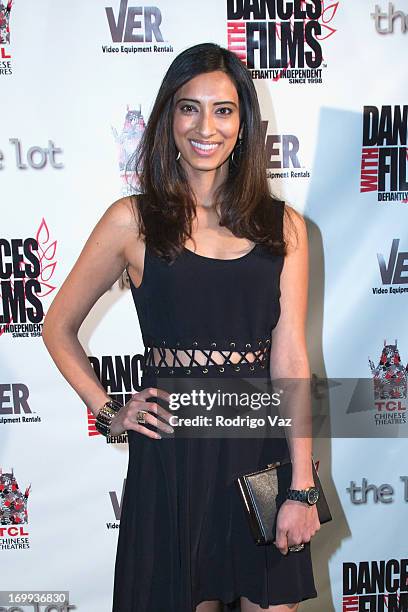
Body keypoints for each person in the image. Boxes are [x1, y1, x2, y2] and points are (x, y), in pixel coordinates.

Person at [42, 42, 320, 612]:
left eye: (223, 110)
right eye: (189, 107)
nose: (205, 127)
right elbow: (58, 326)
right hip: (173, 459)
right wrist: (109, 411)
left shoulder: (283, 227)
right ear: (169, 117)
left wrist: (302, 485)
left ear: (244, 123)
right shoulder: (133, 220)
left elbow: (290, 358)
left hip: (260, 448)